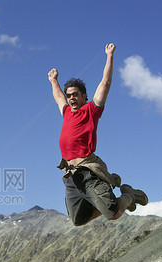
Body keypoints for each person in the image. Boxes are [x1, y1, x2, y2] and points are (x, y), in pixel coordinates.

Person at [48, 43, 148, 226]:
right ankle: (107, 203)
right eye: (69, 95)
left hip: (87, 171)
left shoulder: (91, 110)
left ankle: (128, 195)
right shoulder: (67, 112)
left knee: (114, 213)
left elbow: (105, 83)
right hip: (71, 174)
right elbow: (58, 97)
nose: (71, 98)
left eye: (75, 94)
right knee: (78, 220)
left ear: (84, 96)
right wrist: (53, 80)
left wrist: (109, 56)